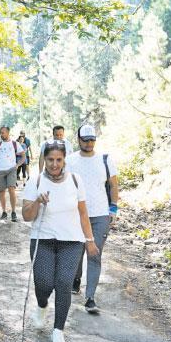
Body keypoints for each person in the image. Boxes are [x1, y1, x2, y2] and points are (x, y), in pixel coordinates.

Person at [22, 142, 98, 342]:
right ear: (44, 160)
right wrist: (37, 202)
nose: (54, 164)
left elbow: (83, 213)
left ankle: (58, 331)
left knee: (64, 283)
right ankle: (42, 305)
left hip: (72, 242)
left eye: (59, 160)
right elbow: (27, 216)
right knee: (43, 284)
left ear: (64, 160)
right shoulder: (35, 181)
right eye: (50, 160)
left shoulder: (75, 180)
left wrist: (90, 241)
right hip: (42, 240)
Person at [65, 124, 119, 315]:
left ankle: (90, 298)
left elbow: (113, 185)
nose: (89, 143)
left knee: (94, 253)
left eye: (92, 140)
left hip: (100, 214)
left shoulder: (105, 160)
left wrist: (114, 208)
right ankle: (76, 279)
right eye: (85, 139)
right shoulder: (70, 160)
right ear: (78, 139)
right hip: (76, 214)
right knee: (77, 250)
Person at [0, 126, 24, 222]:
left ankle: (14, 212)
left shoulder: (15, 144)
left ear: (8, 133)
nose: (1, 134)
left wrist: (17, 165)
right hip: (0, 170)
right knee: (2, 191)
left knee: (11, 189)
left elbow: (23, 156)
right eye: (1, 132)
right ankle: (4, 212)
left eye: (3, 132)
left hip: (11, 169)